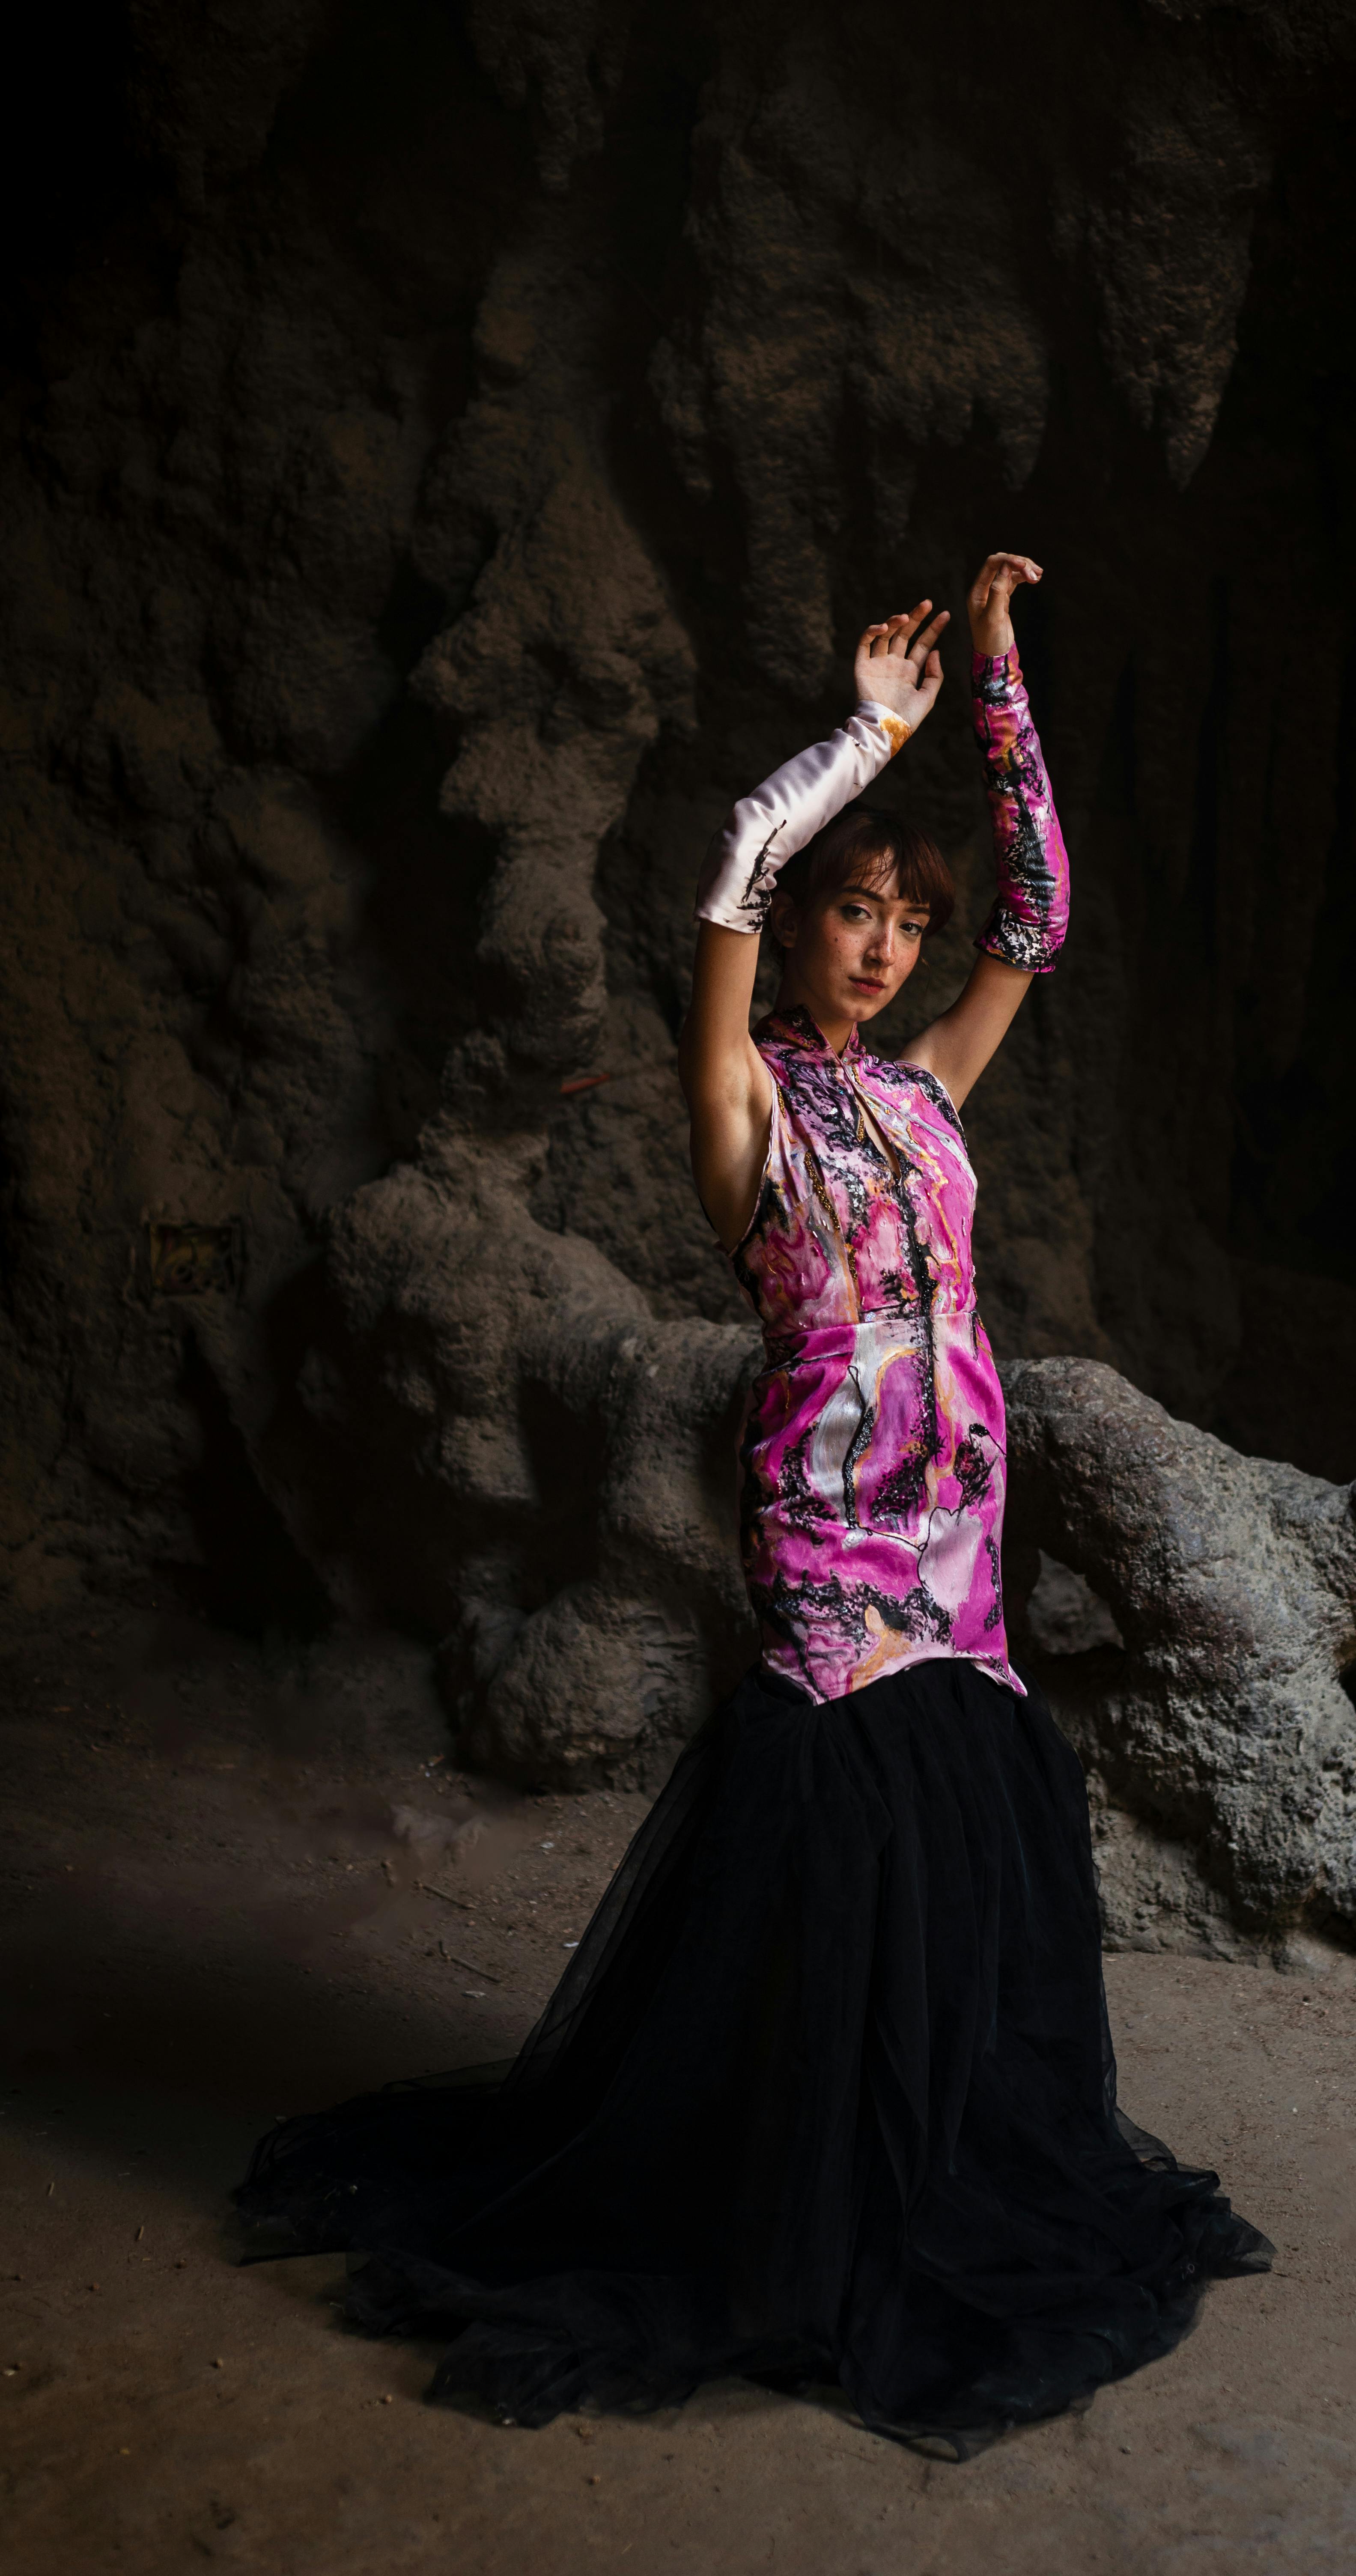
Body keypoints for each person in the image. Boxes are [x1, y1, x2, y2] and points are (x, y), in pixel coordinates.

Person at [235, 553, 1271, 2455]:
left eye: (899, 920)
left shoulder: (937, 1094)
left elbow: (1038, 914)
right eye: (852, 914)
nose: (881, 947)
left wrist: (999, 687)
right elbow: (724, 861)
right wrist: (862, 742)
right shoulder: (747, 1114)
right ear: (798, 935)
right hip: (820, 1537)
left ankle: (923, 2185)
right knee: (828, 1858)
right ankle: (776, 2223)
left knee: (959, 1859)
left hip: (958, 1547)